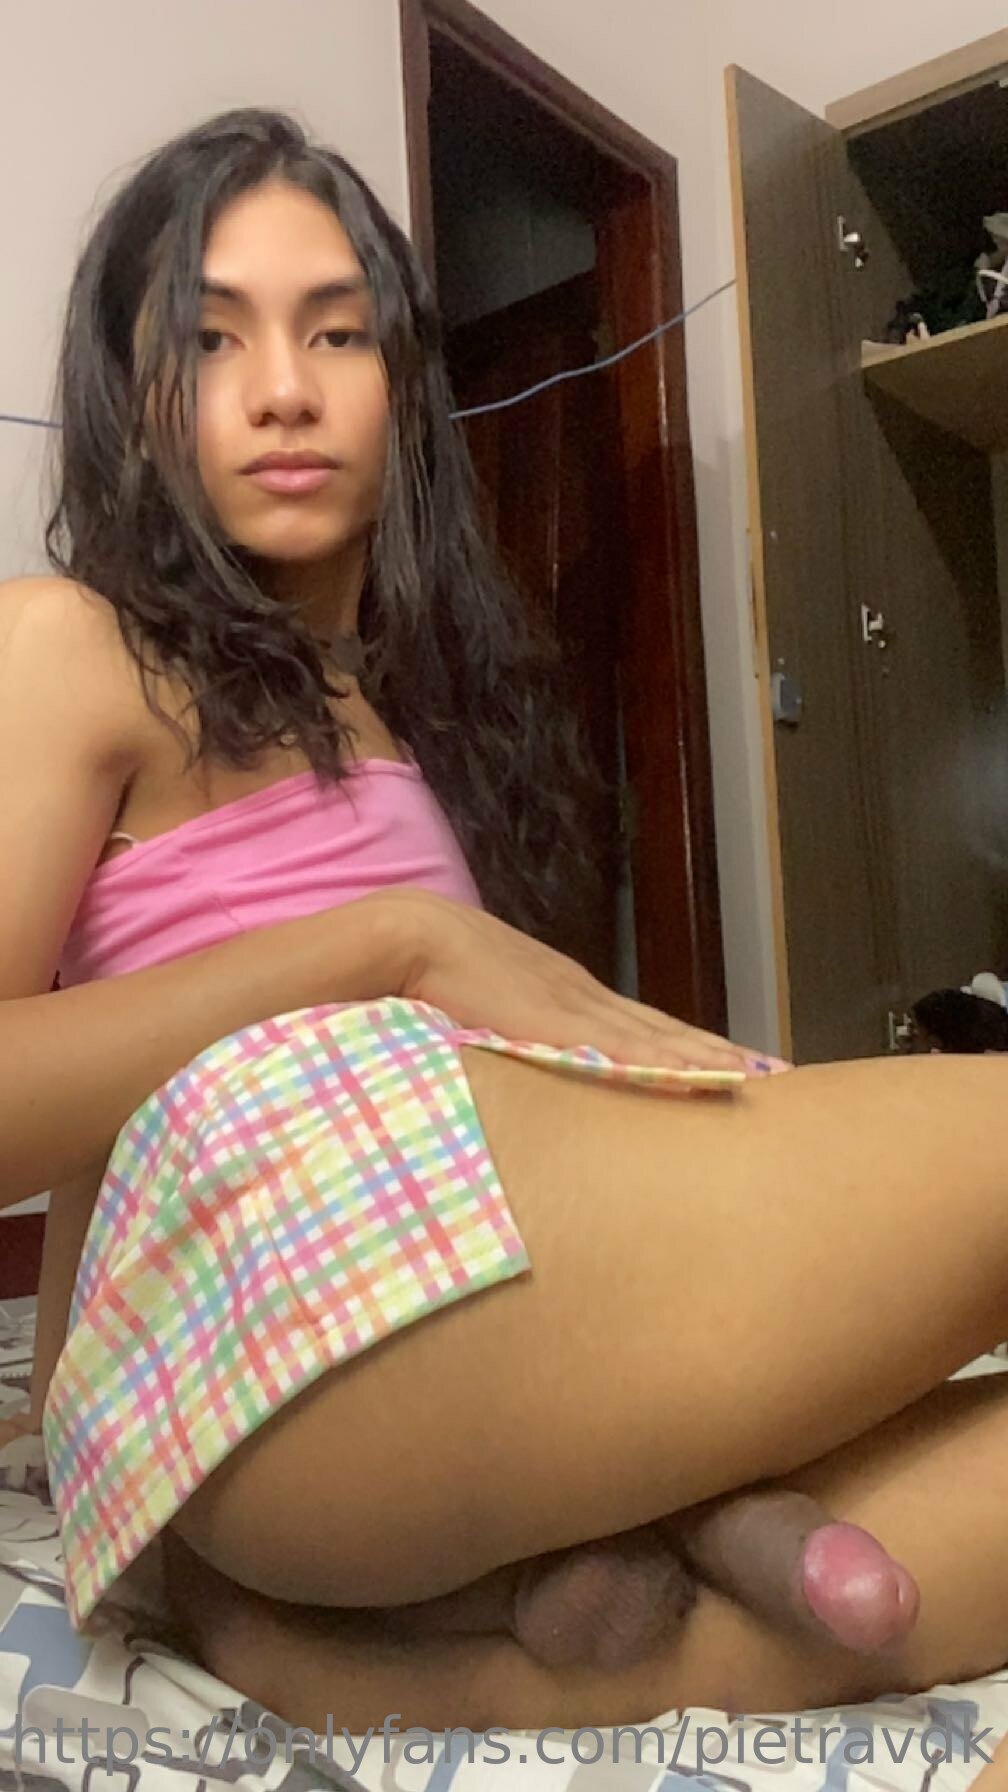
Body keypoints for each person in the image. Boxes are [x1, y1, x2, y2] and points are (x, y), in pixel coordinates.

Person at [2, 108, 1008, 1734]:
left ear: (406, 387)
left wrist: (126, 1480)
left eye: (338, 332)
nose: (282, 388)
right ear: (131, 394)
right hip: (315, 1275)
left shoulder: (391, 726)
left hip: (400, 1382)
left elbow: (105, 1138)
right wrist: (390, 946)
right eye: (209, 338)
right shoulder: (69, 642)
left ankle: (423, 1640)